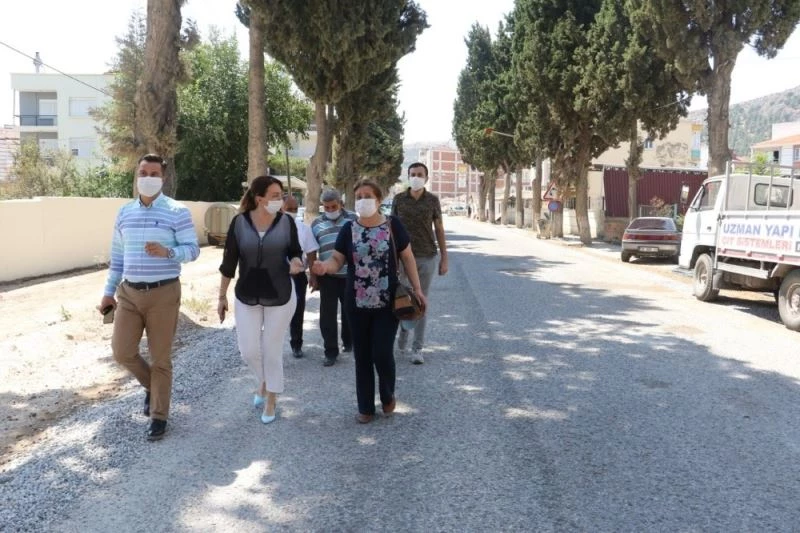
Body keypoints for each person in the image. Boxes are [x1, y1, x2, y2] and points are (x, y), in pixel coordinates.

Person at [97, 153, 200, 441]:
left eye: (154, 174)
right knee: (122, 352)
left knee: (161, 359)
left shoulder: (177, 211)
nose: (148, 178)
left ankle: (159, 416)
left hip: (163, 294)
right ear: (137, 175)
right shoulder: (125, 212)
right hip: (128, 294)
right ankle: (151, 387)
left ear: (163, 178)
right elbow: (117, 258)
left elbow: (193, 250)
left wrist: (168, 252)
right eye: (143, 172)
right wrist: (108, 294)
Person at [311, 179, 427, 424]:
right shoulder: (348, 229)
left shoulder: (393, 226)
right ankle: (365, 407)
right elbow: (337, 260)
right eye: (359, 196)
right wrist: (324, 267)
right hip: (356, 302)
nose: (362, 200)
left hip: (388, 303)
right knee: (362, 355)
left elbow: (407, 257)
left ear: (378, 199)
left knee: (382, 353)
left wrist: (417, 289)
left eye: (367, 195)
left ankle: (387, 394)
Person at [217, 175, 304, 424]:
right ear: (259, 198)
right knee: (248, 350)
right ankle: (264, 382)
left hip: (280, 295)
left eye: (281, 195)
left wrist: (297, 262)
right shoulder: (239, 223)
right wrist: (221, 296)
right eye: (276, 196)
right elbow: (228, 264)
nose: (281, 200)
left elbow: (295, 252)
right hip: (247, 294)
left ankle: (272, 398)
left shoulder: (287, 222)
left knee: (271, 349)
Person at [391, 162, 448, 364]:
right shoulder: (399, 199)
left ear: (426, 177)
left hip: (426, 256)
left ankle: (418, 348)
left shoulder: (432, 200)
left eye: (419, 174)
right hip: (401, 258)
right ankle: (403, 335)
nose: (416, 177)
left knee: (421, 301)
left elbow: (439, 229)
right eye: (412, 174)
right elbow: (390, 229)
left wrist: (444, 258)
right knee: (400, 299)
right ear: (408, 176)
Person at [310, 189, 357, 367]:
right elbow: (312, 252)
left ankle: (349, 341)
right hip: (327, 276)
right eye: (326, 207)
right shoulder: (316, 223)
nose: (330, 210)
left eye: (333, 206)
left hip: (349, 275)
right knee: (327, 315)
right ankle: (330, 351)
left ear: (341, 204)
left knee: (349, 311)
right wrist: (313, 275)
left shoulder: (353, 219)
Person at [282, 194, 319, 359]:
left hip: (297, 277)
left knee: (297, 311)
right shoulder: (269, 228)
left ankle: (296, 344)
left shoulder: (304, 229)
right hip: (276, 276)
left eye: (295, 209)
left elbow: (311, 253)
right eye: (289, 209)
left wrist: (314, 275)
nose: (293, 212)